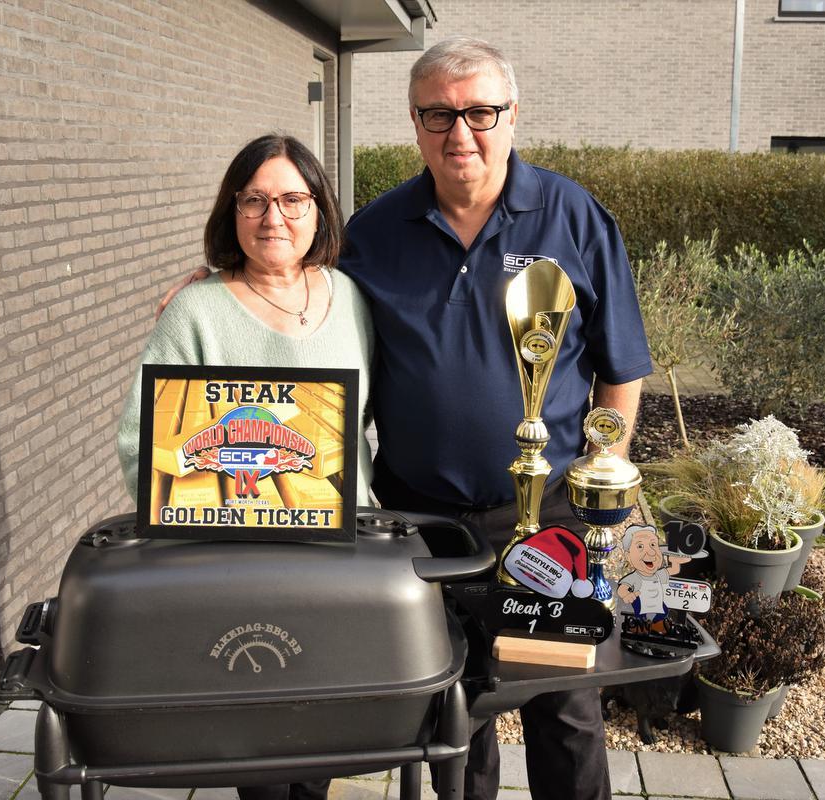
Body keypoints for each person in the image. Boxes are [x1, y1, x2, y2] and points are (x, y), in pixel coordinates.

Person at [156, 38, 651, 800]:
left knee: (564, 706)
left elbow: (621, 366)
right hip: (417, 521)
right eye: (438, 115)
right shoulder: (376, 232)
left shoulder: (574, 218)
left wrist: (604, 480)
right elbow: (297, 284)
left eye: (480, 112)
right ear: (415, 123)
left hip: (546, 513)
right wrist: (218, 282)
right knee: (451, 707)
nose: (461, 133)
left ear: (513, 115)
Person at [116, 134, 373, 800]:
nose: (272, 217)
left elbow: (362, 422)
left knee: (322, 724)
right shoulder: (197, 309)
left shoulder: (350, 297)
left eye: (292, 199)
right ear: (231, 211)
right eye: (254, 200)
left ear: (319, 208)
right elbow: (142, 442)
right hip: (238, 562)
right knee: (256, 731)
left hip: (339, 559)